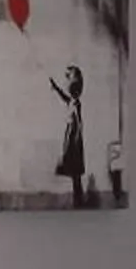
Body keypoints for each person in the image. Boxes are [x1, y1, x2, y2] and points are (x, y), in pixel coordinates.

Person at [49, 65, 92, 206]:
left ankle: (78, 198)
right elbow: (63, 97)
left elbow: (79, 122)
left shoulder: (76, 103)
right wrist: (56, 88)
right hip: (70, 136)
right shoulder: (72, 101)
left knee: (75, 171)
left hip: (74, 138)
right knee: (74, 171)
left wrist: (77, 136)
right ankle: (77, 197)